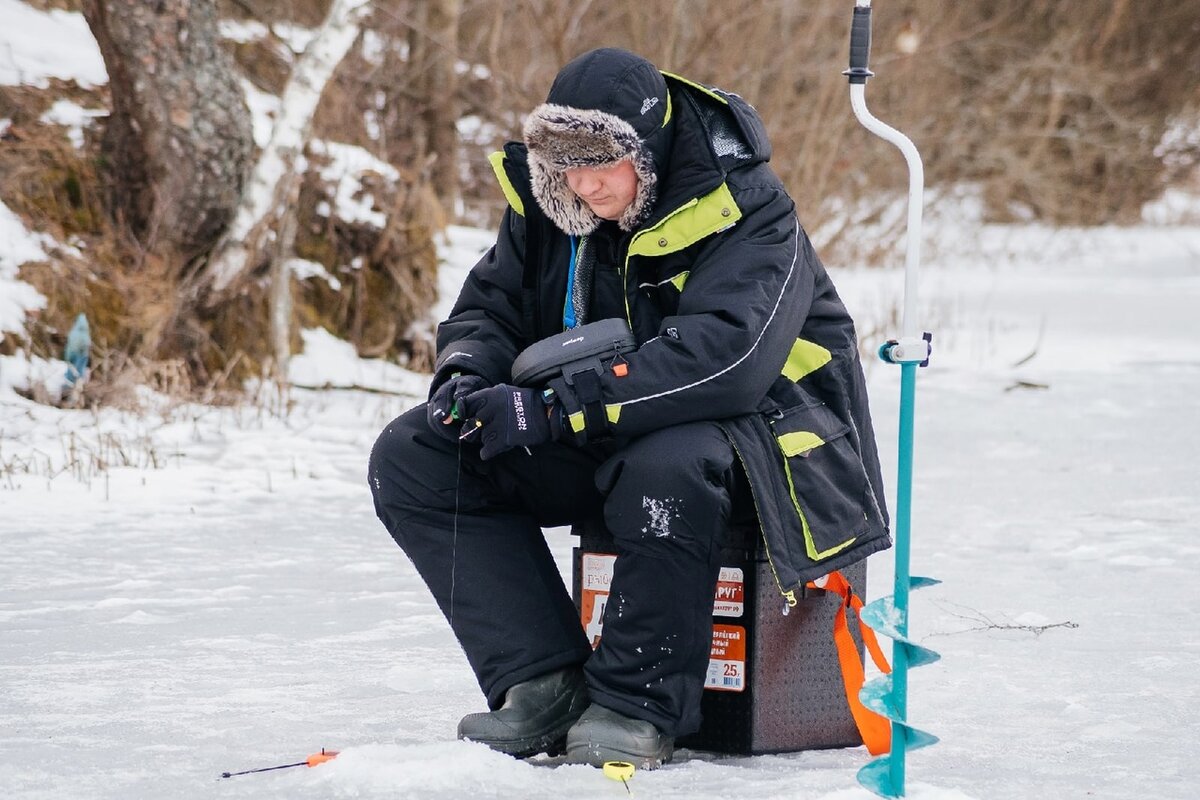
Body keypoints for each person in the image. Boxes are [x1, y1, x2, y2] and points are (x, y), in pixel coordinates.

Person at [369, 47, 890, 770]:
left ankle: (639, 703)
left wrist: (556, 407)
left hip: (769, 451)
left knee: (665, 462)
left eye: (600, 166)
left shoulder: (750, 209)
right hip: (605, 423)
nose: (584, 186)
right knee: (415, 455)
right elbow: (489, 309)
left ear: (644, 153)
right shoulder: (554, 206)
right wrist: (466, 378)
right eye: (567, 168)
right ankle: (541, 681)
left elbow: (727, 363)